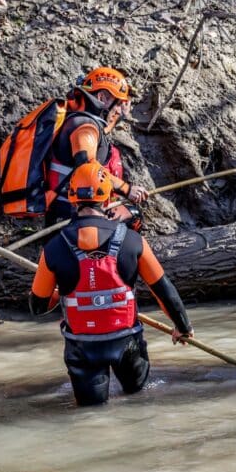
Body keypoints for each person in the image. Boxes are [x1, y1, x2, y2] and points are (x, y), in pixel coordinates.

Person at [29, 161, 194, 406]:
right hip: (127, 342)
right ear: (107, 197)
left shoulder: (53, 248)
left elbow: (38, 306)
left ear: (72, 199)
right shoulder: (133, 241)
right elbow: (163, 290)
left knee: (91, 412)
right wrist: (182, 326)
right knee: (139, 402)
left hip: (83, 347)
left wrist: (62, 293)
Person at [45, 66, 149, 225]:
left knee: (130, 214)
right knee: (131, 218)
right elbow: (88, 169)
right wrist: (127, 189)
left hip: (73, 210)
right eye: (118, 104)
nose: (119, 111)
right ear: (102, 97)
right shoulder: (84, 127)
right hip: (70, 216)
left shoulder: (82, 122)